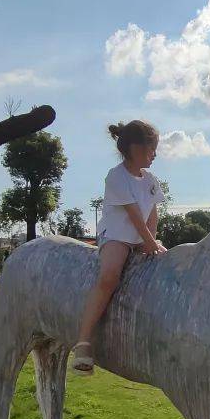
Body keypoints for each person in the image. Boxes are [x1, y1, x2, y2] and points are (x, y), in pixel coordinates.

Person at [72, 120, 167, 374]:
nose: (155, 154)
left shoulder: (151, 180)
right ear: (135, 148)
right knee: (110, 276)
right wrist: (149, 243)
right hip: (117, 236)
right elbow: (134, 215)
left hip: (141, 239)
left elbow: (151, 214)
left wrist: (152, 243)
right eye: (151, 149)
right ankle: (83, 342)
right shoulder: (116, 176)